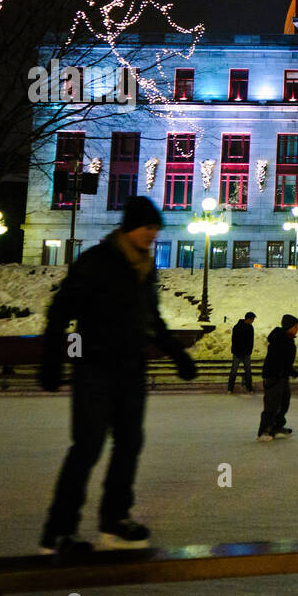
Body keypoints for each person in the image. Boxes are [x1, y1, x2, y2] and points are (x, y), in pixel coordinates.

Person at [38, 196, 198, 555]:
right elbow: (61, 311)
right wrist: (53, 359)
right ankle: (58, 531)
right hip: (94, 367)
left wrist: (177, 355)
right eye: (147, 228)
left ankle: (115, 519)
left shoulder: (144, 268)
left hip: (130, 369)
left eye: (156, 230)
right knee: (88, 446)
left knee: (129, 444)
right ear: (130, 227)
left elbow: (151, 319)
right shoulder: (96, 262)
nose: (152, 236)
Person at [259, 315, 298, 441]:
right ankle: (265, 430)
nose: (297, 329)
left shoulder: (287, 339)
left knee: (283, 403)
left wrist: (289, 371)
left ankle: (276, 427)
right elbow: (278, 360)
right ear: (289, 327)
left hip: (282, 376)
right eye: (295, 327)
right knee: (272, 404)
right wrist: (290, 371)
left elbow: (285, 362)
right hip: (274, 376)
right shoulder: (280, 340)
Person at [228, 311, 256, 393]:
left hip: (246, 353)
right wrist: (236, 350)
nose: (253, 321)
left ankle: (249, 388)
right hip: (237, 353)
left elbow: (251, 341)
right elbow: (234, 340)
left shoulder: (250, 327)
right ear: (248, 319)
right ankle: (230, 388)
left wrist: (249, 351)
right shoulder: (237, 327)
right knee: (234, 370)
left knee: (247, 371)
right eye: (252, 319)